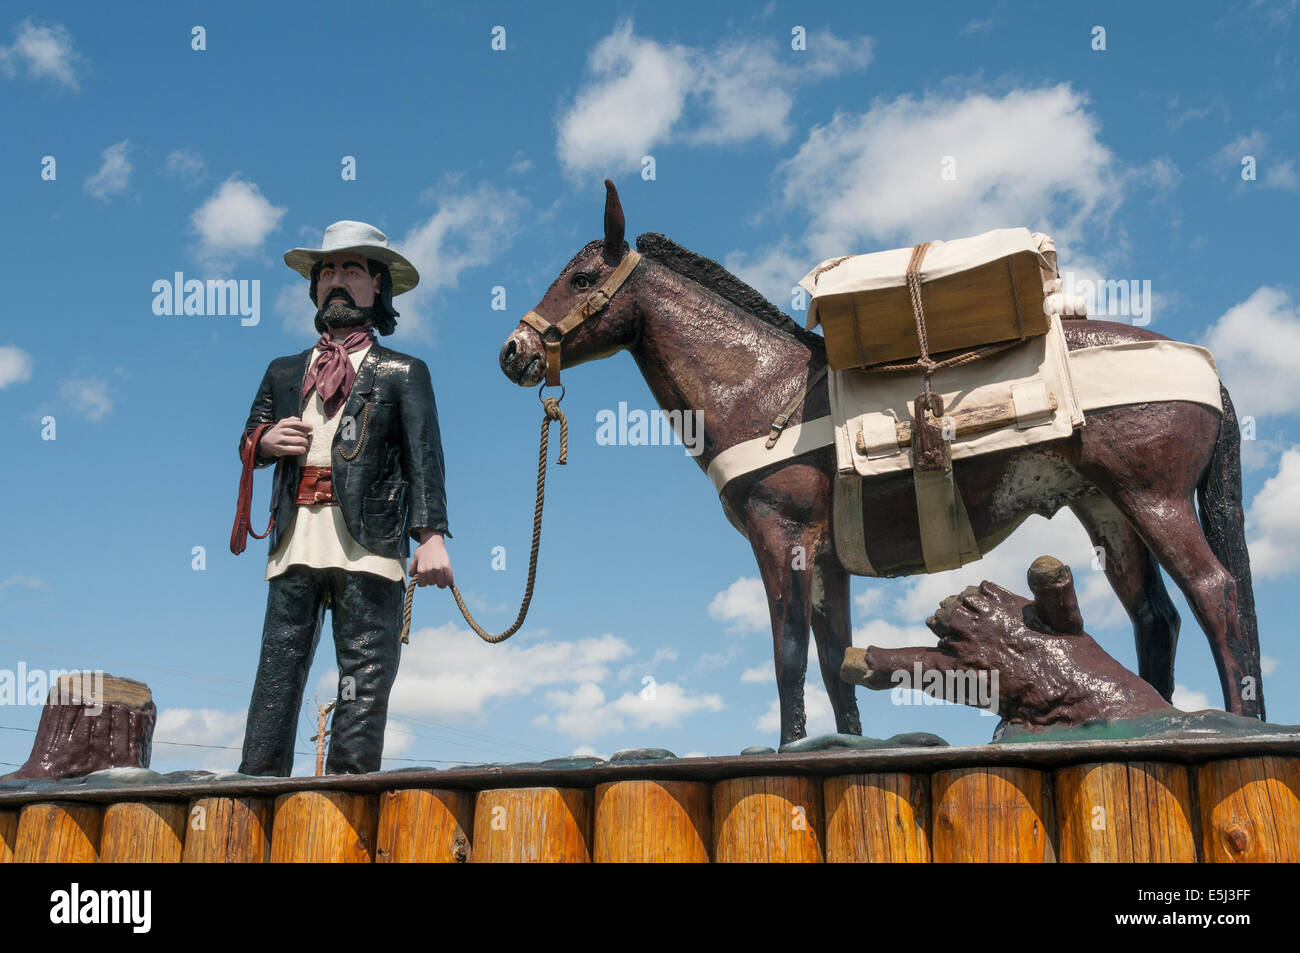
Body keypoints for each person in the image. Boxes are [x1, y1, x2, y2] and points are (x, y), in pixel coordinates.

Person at [233, 220, 453, 776]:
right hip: (295, 539)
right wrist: (263, 443)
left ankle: (348, 797)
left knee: (364, 673)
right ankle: (256, 790)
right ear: (313, 287)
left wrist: (430, 537)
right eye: (327, 270)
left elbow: (423, 456)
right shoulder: (283, 370)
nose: (336, 280)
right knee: (278, 670)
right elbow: (249, 434)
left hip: (370, 543)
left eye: (352, 269)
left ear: (377, 286)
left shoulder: (404, 372)